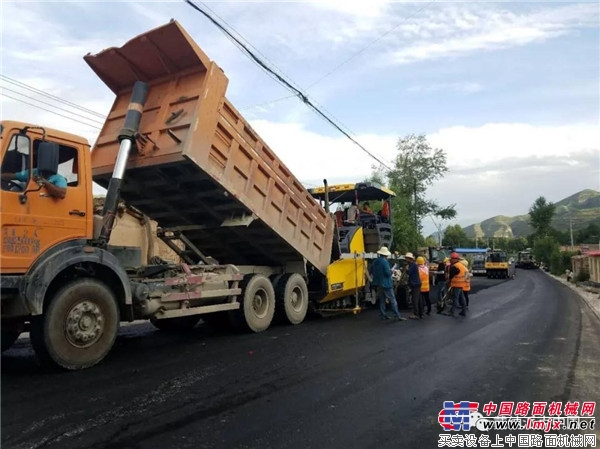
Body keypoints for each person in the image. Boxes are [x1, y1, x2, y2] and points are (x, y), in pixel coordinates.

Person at [369, 246, 406, 321]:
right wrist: (391, 271)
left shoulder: (375, 261)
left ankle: (383, 315)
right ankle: (397, 315)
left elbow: (371, 270)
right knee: (392, 300)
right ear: (386, 255)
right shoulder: (385, 262)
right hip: (386, 284)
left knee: (382, 300)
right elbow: (388, 273)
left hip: (379, 283)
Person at [1, 168, 67, 199]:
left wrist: (45, 183)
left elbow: (61, 194)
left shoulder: (59, 178)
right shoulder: (35, 172)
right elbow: (14, 176)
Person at [443, 252, 467, 317]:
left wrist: (448, 281)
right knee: (462, 298)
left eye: (451, 259)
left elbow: (451, 276)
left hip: (457, 284)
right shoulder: (461, 265)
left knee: (455, 298)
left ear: (455, 259)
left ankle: (452, 311)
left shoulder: (455, 266)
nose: (450, 260)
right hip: (461, 283)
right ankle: (464, 311)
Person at [405, 252, 422, 320]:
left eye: (406, 258)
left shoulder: (413, 265)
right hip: (416, 283)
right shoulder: (413, 265)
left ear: (409, 259)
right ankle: (420, 312)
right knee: (418, 299)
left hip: (415, 284)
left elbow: (409, 272)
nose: (406, 260)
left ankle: (416, 314)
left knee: (415, 299)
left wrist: (406, 269)